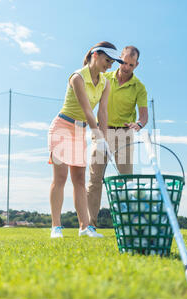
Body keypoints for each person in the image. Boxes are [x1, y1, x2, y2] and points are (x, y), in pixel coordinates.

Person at [47, 41, 123, 238]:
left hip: (79, 131)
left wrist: (104, 138)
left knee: (80, 180)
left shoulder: (105, 83)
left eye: (113, 62)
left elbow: (103, 111)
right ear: (95, 55)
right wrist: (98, 137)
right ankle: (56, 226)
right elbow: (87, 109)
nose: (110, 65)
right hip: (62, 128)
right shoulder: (77, 77)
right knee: (60, 178)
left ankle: (84, 227)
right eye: (108, 60)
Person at [87, 45, 148, 228]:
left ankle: (126, 225)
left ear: (136, 65)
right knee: (94, 179)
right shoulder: (104, 78)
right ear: (118, 59)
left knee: (126, 182)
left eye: (131, 64)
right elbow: (89, 99)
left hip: (124, 135)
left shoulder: (139, 87)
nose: (126, 67)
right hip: (101, 133)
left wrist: (139, 124)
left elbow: (144, 115)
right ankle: (90, 225)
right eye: (124, 62)